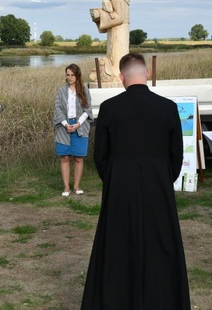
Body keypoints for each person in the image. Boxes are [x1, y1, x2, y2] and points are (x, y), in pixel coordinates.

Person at [81, 53, 190, 309]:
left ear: (121, 78)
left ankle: (117, 297)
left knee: (118, 244)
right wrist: (163, 178)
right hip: (158, 185)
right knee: (161, 244)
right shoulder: (167, 107)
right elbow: (177, 155)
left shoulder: (110, 108)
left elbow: (100, 156)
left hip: (120, 185)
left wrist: (114, 179)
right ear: (147, 75)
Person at [53, 64, 93, 197]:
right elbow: (57, 109)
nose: (69, 77)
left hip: (79, 126)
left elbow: (88, 109)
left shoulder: (84, 90)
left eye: (72, 75)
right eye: (68, 75)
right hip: (64, 125)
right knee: (64, 157)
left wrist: (78, 124)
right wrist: (65, 124)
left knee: (78, 157)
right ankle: (66, 187)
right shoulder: (61, 91)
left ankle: (76, 186)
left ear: (77, 76)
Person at [89, 0, 130, 83]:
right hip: (114, 31)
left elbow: (119, 17)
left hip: (119, 33)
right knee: (113, 57)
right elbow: (112, 14)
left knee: (117, 58)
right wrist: (99, 16)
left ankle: (117, 76)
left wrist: (100, 14)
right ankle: (112, 75)